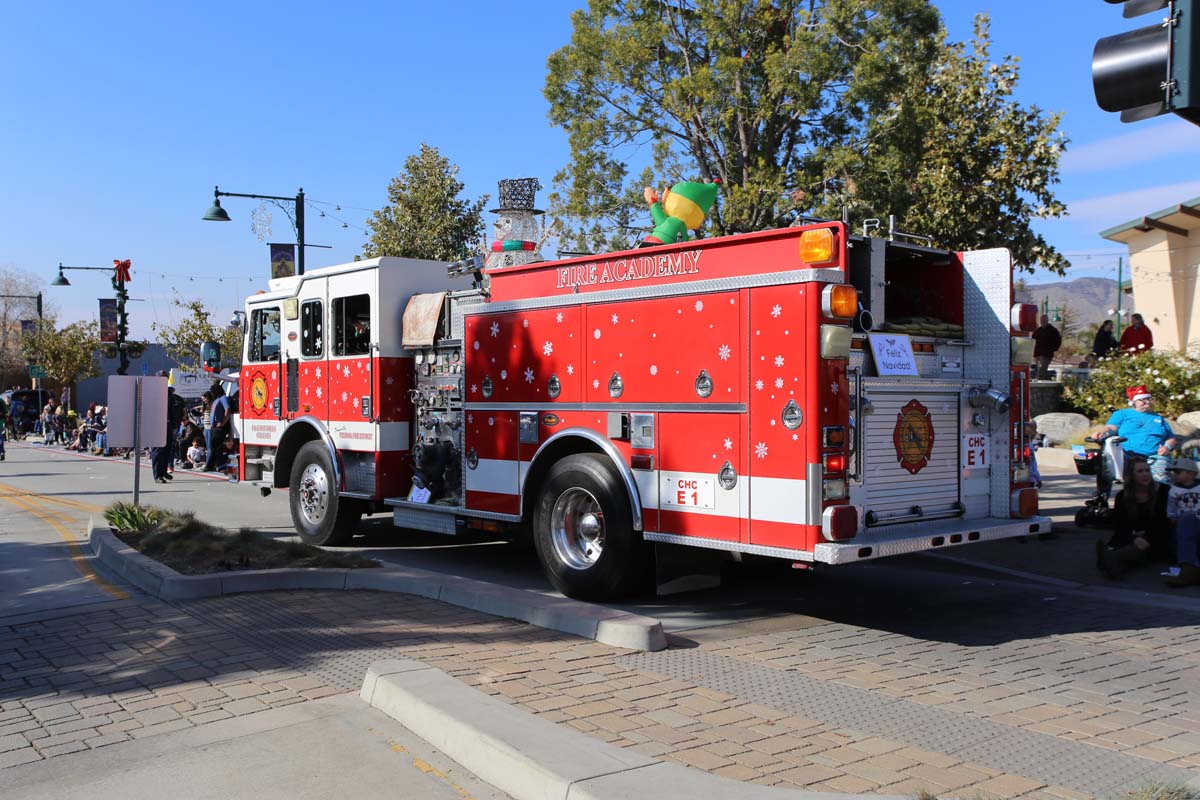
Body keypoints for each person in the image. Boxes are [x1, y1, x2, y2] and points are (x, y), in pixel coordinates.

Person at [1096, 384, 1177, 497]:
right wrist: (1102, 433)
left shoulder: (1158, 418)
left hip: (1155, 456)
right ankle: (1101, 500)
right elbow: (1111, 428)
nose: (1147, 402)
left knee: (1161, 482)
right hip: (1128, 455)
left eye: (1149, 399)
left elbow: (1171, 438)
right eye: (1143, 400)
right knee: (1106, 468)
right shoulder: (1122, 414)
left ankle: (1160, 506)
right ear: (1133, 402)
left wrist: (1167, 447)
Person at [1096, 460, 1171, 580]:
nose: (1145, 474)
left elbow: (1164, 522)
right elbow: (1120, 524)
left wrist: (1147, 537)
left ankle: (1111, 559)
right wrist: (1134, 537)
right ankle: (1114, 564)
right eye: (1140, 471)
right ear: (1131, 475)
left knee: (1145, 547)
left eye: (1147, 470)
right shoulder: (1122, 496)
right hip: (1132, 535)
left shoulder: (1163, 491)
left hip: (1157, 536)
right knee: (1124, 543)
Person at [1166, 459, 1200, 586]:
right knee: (1187, 518)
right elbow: (1171, 509)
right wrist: (1172, 517)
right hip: (1183, 528)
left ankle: (1191, 570)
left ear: (1191, 474)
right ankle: (1188, 568)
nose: (1174, 475)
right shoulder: (1173, 490)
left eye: (1178, 472)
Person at [1032, 314, 1062, 379]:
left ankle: (1039, 381)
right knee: (1038, 368)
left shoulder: (1053, 330)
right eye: (1041, 320)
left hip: (1047, 354)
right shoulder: (1038, 331)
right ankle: (1039, 380)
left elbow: (1058, 340)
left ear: (1047, 320)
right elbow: (1033, 341)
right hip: (1038, 354)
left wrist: (1053, 349)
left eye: (1044, 320)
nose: (1042, 321)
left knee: (1042, 368)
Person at [0, 392, 7, 461]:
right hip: (1, 421)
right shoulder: (1, 401)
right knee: (0, 437)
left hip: (1, 421)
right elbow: (6, 412)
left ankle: (2, 452)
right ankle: (2, 452)